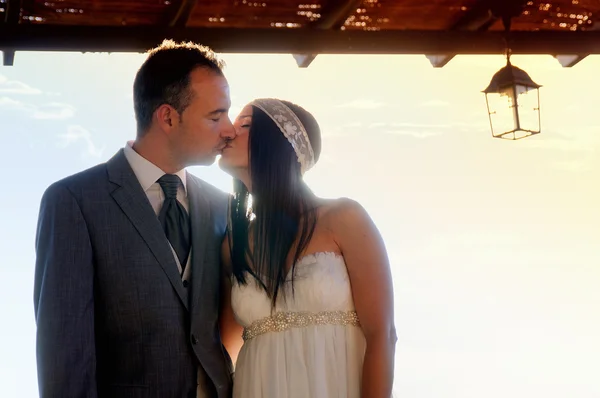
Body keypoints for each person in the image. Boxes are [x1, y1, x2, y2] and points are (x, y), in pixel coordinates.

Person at [33, 40, 236, 398]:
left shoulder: (222, 207)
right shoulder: (74, 201)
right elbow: (64, 355)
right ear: (168, 117)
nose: (229, 129)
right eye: (216, 116)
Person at [218, 98, 397, 398]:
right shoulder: (232, 244)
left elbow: (382, 335)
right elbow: (225, 348)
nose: (228, 133)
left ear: (278, 144)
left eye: (245, 125)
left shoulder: (344, 219)